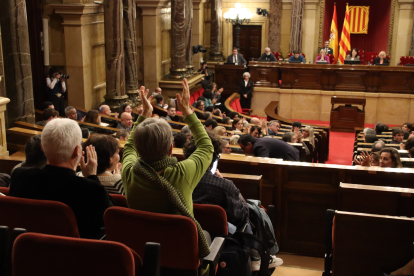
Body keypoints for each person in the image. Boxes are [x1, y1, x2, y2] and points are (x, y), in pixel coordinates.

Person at [121, 80, 213, 257]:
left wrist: (144, 115)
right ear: (171, 149)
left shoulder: (129, 172)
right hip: (181, 260)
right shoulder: (182, 174)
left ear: (138, 150)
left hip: (143, 257)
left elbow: (129, 147)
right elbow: (207, 147)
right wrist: (187, 111)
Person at [10, 118, 114, 239]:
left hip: (26, 252)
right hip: (77, 255)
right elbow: (112, 219)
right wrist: (92, 177)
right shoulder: (91, 189)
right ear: (77, 151)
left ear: (43, 148)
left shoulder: (19, 176)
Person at [183, 131, 249, 228]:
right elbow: (242, 218)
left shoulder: (175, 179)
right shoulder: (224, 186)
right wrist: (235, 190)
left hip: (184, 235)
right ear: (214, 158)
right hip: (218, 239)